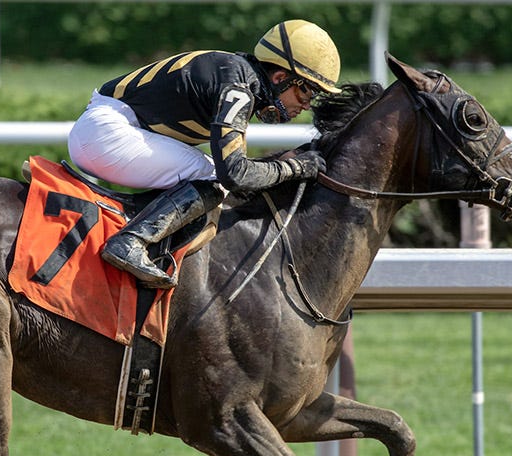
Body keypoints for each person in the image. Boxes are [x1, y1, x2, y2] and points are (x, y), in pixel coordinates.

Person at [68, 19, 342, 289]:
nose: (307, 105)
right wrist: (295, 168)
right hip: (106, 134)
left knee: (208, 171)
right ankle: (132, 240)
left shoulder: (236, 75)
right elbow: (235, 174)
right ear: (280, 78)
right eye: (306, 91)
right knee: (212, 178)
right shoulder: (238, 88)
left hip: (104, 131)